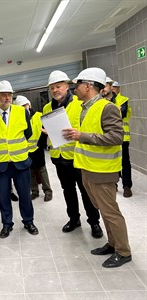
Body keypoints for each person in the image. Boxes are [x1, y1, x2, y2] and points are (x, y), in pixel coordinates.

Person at [63, 67, 131, 268]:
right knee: (103, 210)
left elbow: (116, 136)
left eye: (78, 84)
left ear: (88, 86)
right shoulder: (86, 107)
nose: (75, 88)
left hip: (103, 171)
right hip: (88, 169)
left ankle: (123, 251)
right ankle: (112, 244)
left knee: (111, 212)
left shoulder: (107, 107)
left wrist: (81, 136)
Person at [44, 70, 103, 239]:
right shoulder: (48, 107)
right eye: (52, 88)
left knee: (85, 191)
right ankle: (74, 219)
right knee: (67, 190)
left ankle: (94, 222)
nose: (55, 90)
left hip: (77, 157)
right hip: (59, 157)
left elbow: (86, 128)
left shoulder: (79, 103)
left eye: (58, 86)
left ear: (67, 86)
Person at [0, 80, 38, 238]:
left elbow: (28, 133)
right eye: (3, 95)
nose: (7, 97)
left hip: (20, 162)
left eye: (10, 94)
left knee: (25, 194)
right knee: (3, 197)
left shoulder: (22, 112)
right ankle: (7, 224)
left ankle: (28, 221)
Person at [13, 96, 53, 202]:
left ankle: (48, 191)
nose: (23, 108)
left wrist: (41, 144)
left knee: (42, 170)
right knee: (30, 172)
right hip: (25, 150)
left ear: (29, 105)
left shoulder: (39, 116)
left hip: (38, 148)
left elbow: (45, 131)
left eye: (24, 105)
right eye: (20, 107)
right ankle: (34, 191)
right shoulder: (18, 119)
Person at [103, 80, 133, 198]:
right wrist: (117, 109)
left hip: (122, 137)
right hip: (107, 138)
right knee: (111, 162)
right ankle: (114, 184)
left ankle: (126, 186)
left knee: (125, 162)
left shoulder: (123, 100)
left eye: (107, 86)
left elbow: (123, 113)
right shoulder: (101, 102)